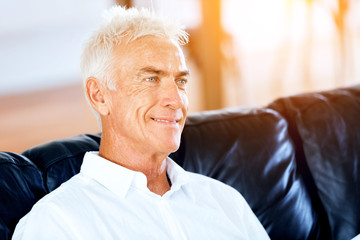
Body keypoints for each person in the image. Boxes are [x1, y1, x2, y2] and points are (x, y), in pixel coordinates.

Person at [12, 6, 269, 239]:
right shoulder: (57, 222)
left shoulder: (223, 200)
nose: (176, 100)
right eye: (151, 79)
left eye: (180, 81)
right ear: (99, 96)